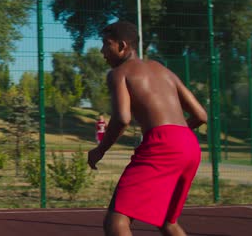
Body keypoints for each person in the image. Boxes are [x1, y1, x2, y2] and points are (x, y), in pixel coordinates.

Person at [87, 21, 208, 236]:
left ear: (123, 46)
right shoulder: (162, 70)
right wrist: (176, 135)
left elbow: (122, 118)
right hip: (189, 145)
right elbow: (200, 115)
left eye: (107, 44)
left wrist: (100, 150)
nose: (102, 51)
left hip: (162, 145)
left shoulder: (119, 73)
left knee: (116, 221)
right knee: (167, 221)